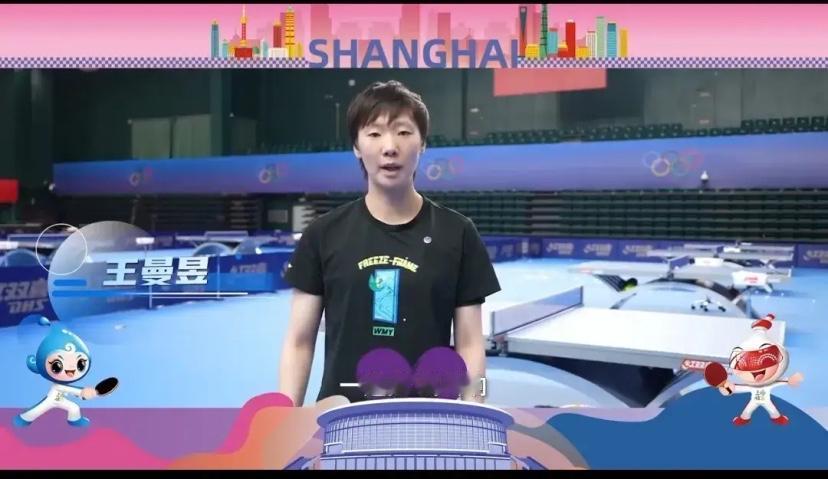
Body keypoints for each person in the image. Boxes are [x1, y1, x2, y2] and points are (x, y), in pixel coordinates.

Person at [279, 80, 501, 405]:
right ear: (356, 146)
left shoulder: (458, 233)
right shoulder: (323, 234)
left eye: (403, 132)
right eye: (374, 133)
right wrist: (286, 415)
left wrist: (474, 409)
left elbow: (470, 345)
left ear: (422, 143)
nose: (390, 147)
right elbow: (299, 342)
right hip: (341, 418)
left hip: (429, 418)